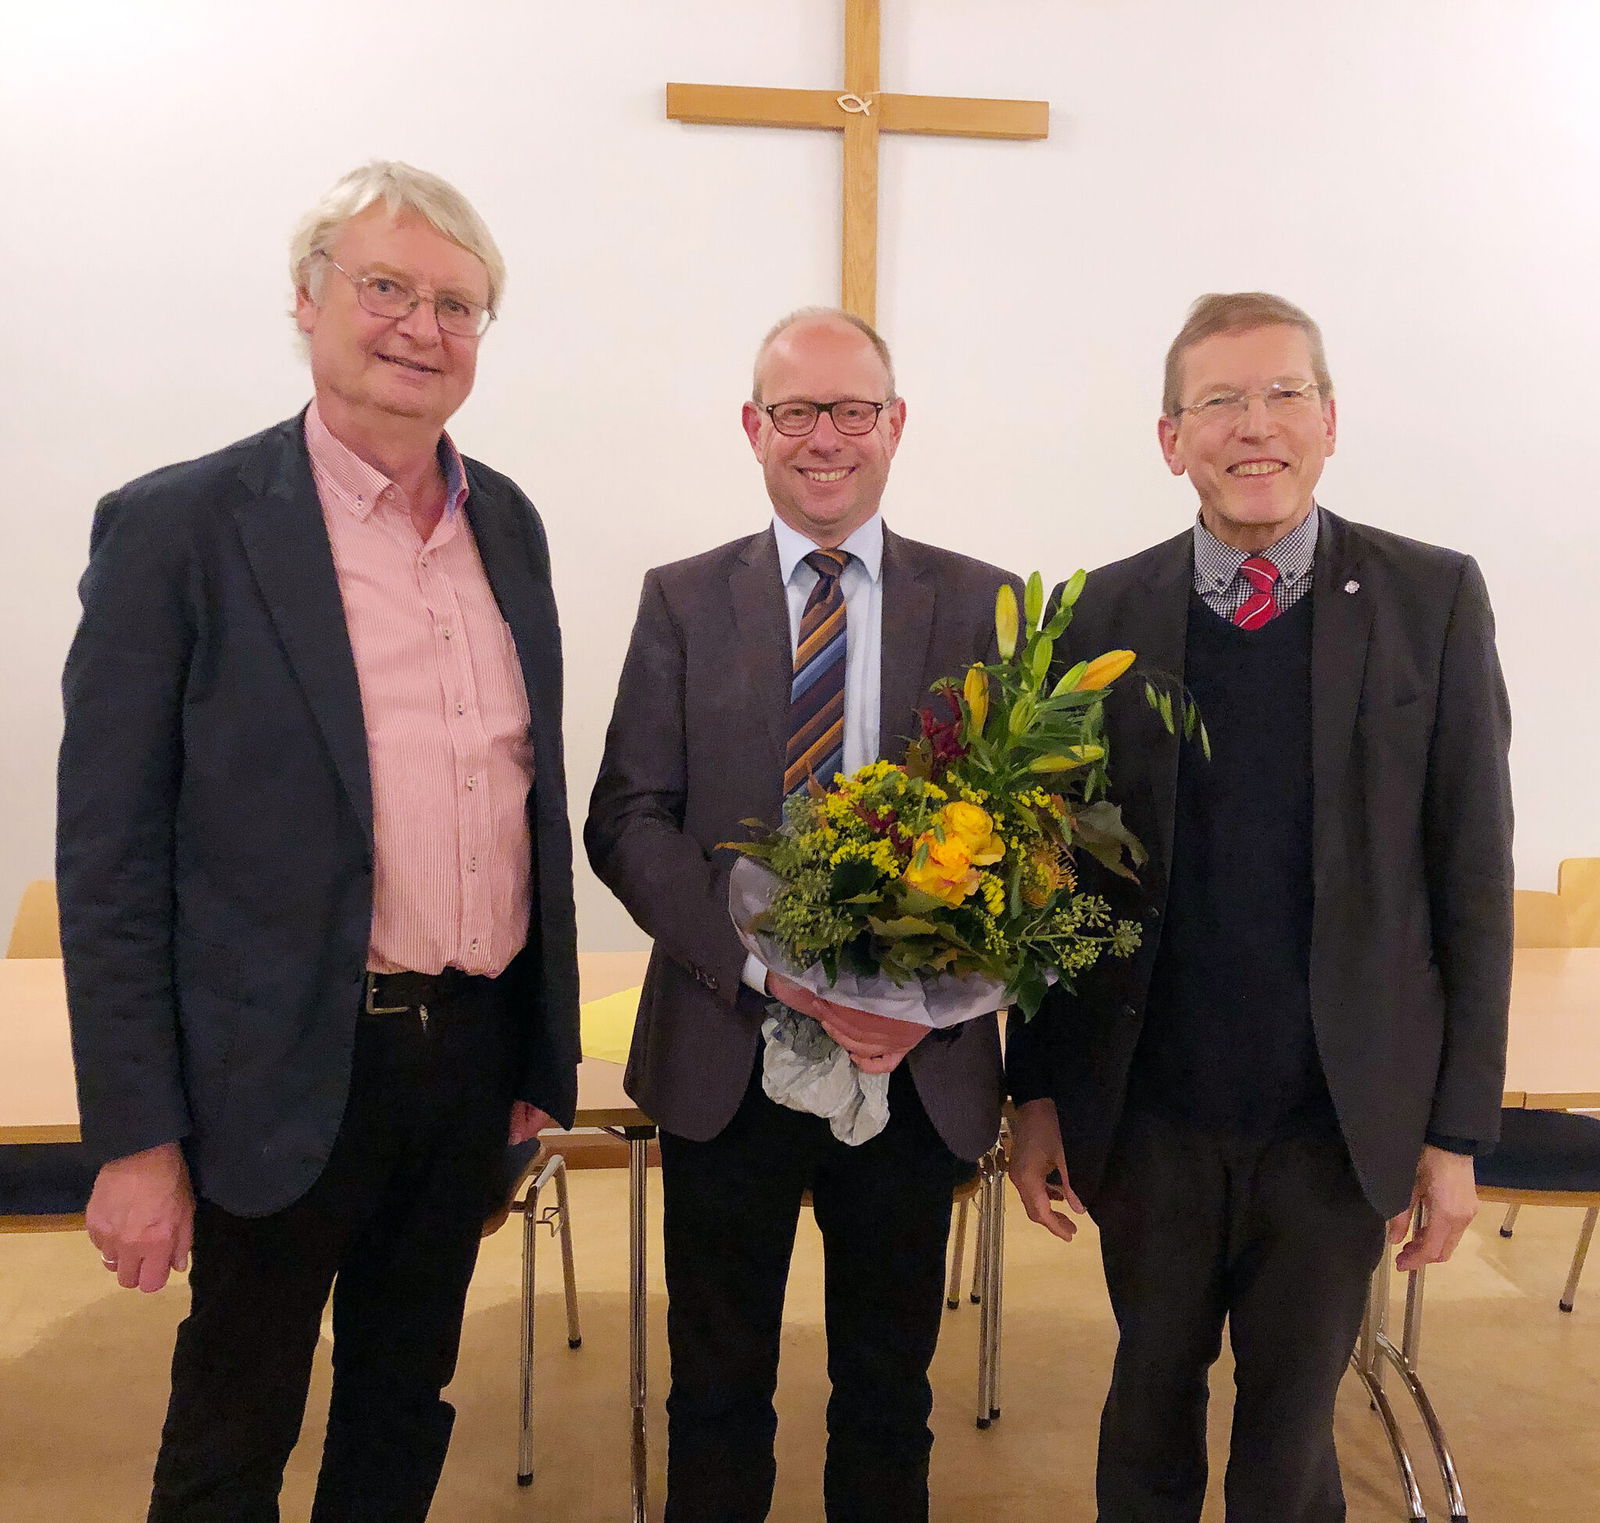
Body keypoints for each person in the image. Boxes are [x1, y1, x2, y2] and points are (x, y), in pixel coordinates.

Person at [57, 160, 579, 1523]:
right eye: (386, 288)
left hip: (463, 1056)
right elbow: (110, 862)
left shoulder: (506, 522)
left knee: (404, 1406)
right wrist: (135, 1136)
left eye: (457, 304)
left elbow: (524, 799)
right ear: (308, 302)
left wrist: (538, 1049)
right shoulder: (183, 527)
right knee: (235, 1424)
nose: (420, 326)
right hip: (281, 1059)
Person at [1007, 291, 1513, 1522]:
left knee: (1291, 1439)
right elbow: (1048, 884)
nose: (1254, 425)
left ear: (1330, 420)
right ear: (1169, 437)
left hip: (1333, 1124)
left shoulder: (1429, 599)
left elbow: (1472, 876)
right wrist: (1033, 1090)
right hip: (1150, 1112)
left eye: (1284, 392)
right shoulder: (1096, 616)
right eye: (1218, 400)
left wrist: (1455, 1134)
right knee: (1146, 1404)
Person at [586, 308, 1014, 1522]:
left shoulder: (983, 604)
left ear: (894, 425)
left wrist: (930, 997)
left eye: (851, 412)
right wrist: (771, 972)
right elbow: (627, 816)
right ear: (751, 427)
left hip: (915, 1065)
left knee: (887, 1388)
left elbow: (1026, 837)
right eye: (794, 413)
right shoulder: (681, 600)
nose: (823, 439)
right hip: (728, 1051)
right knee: (717, 1386)